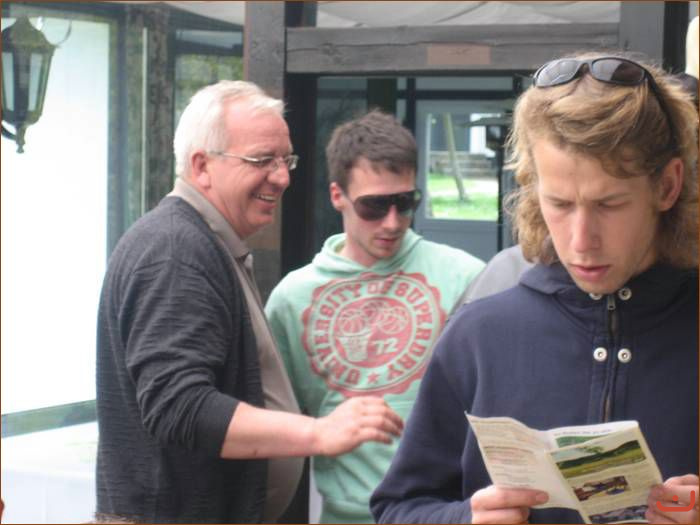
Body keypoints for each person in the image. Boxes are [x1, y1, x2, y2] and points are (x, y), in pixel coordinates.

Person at [371, 53, 698, 524]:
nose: (581, 240)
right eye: (559, 204)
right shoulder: (478, 335)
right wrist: (464, 519)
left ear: (667, 186)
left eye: (609, 204)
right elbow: (397, 509)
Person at [95, 81, 403, 524]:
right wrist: (318, 433)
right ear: (202, 166)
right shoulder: (176, 251)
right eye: (262, 160)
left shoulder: (203, 242)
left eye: (286, 160)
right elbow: (179, 407)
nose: (282, 177)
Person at [264, 110, 485, 523]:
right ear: (337, 196)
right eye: (374, 206)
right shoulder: (292, 300)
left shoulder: (466, 277)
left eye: (405, 203)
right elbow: (274, 427)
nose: (392, 222)